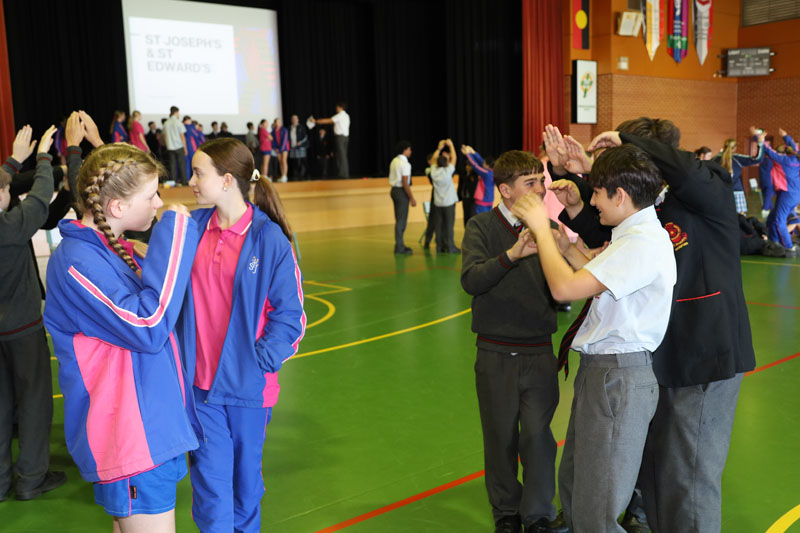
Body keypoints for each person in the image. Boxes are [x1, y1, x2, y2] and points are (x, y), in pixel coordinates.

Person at [549, 118, 756, 533]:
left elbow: (682, 172)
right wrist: (581, 178)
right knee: (655, 473)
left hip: (703, 358)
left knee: (687, 477)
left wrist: (624, 141)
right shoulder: (652, 206)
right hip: (657, 359)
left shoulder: (707, 189)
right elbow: (610, 233)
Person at [512, 143, 676, 533]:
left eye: (598, 193)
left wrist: (541, 230)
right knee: (577, 485)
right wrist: (568, 249)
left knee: (596, 507)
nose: (592, 201)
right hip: (603, 372)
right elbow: (604, 279)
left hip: (618, 376)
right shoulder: (631, 235)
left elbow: (565, 289)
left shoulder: (641, 243)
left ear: (620, 196)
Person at [43, 143, 200, 531]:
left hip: (148, 429)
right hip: (131, 438)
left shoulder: (107, 251)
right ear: (116, 207)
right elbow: (148, 325)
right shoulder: (76, 262)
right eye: (151, 196)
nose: (158, 203)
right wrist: (175, 233)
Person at [180, 137, 305, 532]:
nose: (191, 182)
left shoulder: (270, 240)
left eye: (198, 173)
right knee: (211, 486)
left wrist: (256, 363)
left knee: (245, 487)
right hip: (200, 388)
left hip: (248, 389)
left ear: (227, 180)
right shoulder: (191, 228)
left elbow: (291, 317)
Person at [461, 150, 566, 533]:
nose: (540, 189)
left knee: (538, 437)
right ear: (505, 190)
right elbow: (472, 279)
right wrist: (511, 254)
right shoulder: (481, 227)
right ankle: (506, 512)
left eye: (541, 181)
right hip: (495, 353)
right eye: (530, 182)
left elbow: (564, 287)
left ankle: (538, 514)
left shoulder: (550, 228)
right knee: (500, 437)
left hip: (539, 352)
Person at [0, 125, 67, 502]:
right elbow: (40, 198)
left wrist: (13, 161)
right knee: (34, 401)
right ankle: (30, 478)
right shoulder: (11, 226)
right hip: (22, 330)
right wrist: (43, 157)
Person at [763, 128, 800, 256]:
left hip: (787, 194)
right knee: (773, 217)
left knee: (779, 220)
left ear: (783, 152)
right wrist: (786, 136)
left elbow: (768, 151)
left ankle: (788, 247)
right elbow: (794, 147)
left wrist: (760, 139)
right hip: (793, 194)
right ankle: (775, 242)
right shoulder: (796, 158)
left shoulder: (783, 160)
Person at [713, 127, 764, 215]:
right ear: (734, 148)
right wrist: (760, 143)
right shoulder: (737, 159)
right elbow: (757, 159)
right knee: (740, 218)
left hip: (719, 193)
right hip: (737, 193)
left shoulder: (714, 159)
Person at [430, 139, 460, 253]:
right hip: (448, 203)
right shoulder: (448, 171)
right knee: (449, 226)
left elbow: (433, 159)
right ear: (447, 163)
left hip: (438, 203)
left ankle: (439, 246)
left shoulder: (433, 171)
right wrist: (451, 146)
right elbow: (454, 158)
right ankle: (450, 247)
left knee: (439, 225)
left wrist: (439, 148)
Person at [389, 141, 416, 254]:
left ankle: (399, 244)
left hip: (394, 190)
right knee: (401, 221)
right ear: (404, 150)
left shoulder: (394, 161)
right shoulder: (405, 164)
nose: (410, 151)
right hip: (401, 192)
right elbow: (405, 182)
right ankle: (399, 247)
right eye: (409, 149)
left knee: (398, 219)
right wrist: (411, 198)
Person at [309, 102, 350, 177]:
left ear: (340, 107)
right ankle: (344, 173)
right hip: (345, 138)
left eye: (337, 107)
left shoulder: (340, 115)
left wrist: (316, 121)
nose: (336, 108)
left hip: (340, 137)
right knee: (343, 155)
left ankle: (342, 175)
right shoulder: (346, 115)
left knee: (341, 156)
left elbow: (329, 120)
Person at [462, 145, 495, 213]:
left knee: (481, 218)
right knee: (487, 217)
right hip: (489, 200)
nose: (483, 163)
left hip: (483, 201)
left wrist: (468, 154)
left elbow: (475, 166)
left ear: (488, 166)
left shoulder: (486, 173)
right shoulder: (491, 171)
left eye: (484, 163)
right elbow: (481, 161)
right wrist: (473, 152)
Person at [163, 105, 188, 185]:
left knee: (172, 165)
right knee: (182, 165)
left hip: (170, 147)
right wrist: (185, 148)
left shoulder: (166, 123)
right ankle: (184, 182)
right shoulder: (178, 122)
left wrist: (167, 145)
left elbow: (164, 135)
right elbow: (182, 136)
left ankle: (173, 182)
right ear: (176, 112)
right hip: (179, 146)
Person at [458, 160, 478, 227]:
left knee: (471, 215)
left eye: (469, 165)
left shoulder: (475, 175)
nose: (467, 167)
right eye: (466, 165)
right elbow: (460, 186)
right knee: (465, 215)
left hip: (472, 199)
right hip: (465, 198)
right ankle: (466, 228)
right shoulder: (464, 174)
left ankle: (472, 229)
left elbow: (472, 185)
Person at [288, 115, 309, 180]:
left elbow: (305, 137)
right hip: (292, 147)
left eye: (295, 118)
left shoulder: (301, 127)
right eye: (293, 118)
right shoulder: (289, 128)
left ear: (298, 119)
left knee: (302, 161)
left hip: (301, 147)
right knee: (295, 161)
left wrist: (300, 142)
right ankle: (296, 175)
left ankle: (303, 176)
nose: (294, 120)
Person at [271, 117, 289, 182]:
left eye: (278, 122)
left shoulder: (284, 130)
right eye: (276, 122)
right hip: (277, 148)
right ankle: (282, 175)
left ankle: (285, 176)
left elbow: (285, 140)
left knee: (284, 161)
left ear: (281, 123)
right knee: (280, 162)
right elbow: (272, 140)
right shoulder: (273, 131)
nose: (277, 123)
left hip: (284, 148)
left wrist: (280, 149)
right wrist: (275, 148)